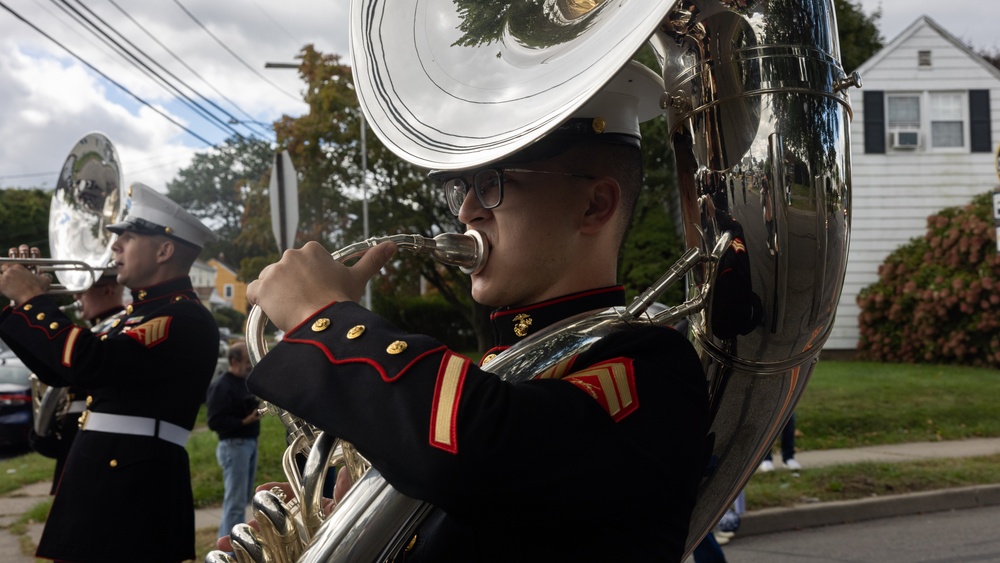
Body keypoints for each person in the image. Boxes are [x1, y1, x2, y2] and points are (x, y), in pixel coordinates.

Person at [241, 62, 711, 561]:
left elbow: (485, 449)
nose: (466, 211)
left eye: (492, 182)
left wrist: (327, 318)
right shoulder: (498, 371)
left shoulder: (655, 370)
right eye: (461, 188)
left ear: (594, 206)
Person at [0, 183, 220, 562]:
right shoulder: (139, 314)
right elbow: (65, 373)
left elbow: (90, 361)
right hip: (109, 476)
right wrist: (21, 305)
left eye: (128, 237)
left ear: (164, 250)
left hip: (131, 486)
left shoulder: (180, 316)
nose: (113, 246)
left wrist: (32, 300)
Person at [27, 273, 126, 495]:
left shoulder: (113, 334)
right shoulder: (94, 334)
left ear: (109, 290)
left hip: (94, 458)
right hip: (74, 453)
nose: (75, 295)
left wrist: (29, 299)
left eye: (82, 290)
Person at [206, 340, 261, 538]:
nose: (250, 364)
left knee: (241, 501)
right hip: (233, 446)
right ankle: (229, 551)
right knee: (235, 504)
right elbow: (214, 421)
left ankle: (234, 546)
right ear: (234, 361)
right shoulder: (221, 386)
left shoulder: (245, 381)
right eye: (248, 360)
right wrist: (243, 421)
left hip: (248, 443)